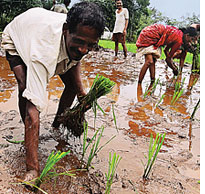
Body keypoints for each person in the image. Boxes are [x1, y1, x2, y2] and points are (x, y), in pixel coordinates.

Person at [1, 1, 105, 181]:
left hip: (41, 31)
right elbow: (34, 110)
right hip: (17, 36)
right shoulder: (44, 51)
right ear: (66, 30)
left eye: (90, 45)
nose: (83, 49)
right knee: (26, 88)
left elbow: (75, 58)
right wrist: (32, 169)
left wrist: (81, 94)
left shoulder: (77, 36)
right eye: (79, 42)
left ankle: (57, 125)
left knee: (72, 84)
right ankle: (29, 136)